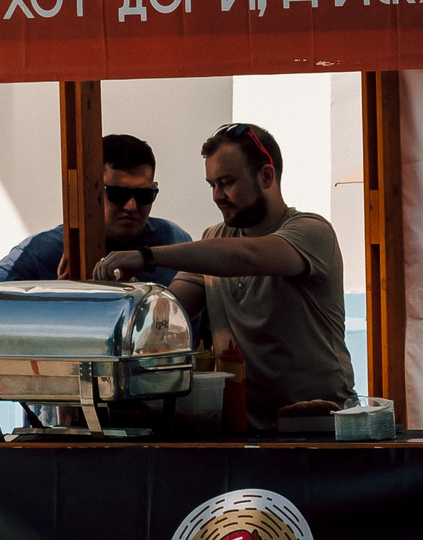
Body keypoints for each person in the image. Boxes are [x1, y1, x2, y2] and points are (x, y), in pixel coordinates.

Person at [93, 124, 351, 428]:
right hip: (242, 431)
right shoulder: (214, 238)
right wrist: (113, 292)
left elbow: (246, 256)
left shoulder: (312, 232)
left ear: (266, 176)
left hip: (319, 427)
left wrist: (146, 256)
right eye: (212, 184)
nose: (217, 196)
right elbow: (166, 316)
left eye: (227, 183)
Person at [2, 134, 192, 287]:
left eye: (144, 195)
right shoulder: (41, 253)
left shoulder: (173, 240)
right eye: (118, 194)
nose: (131, 206)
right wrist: (56, 303)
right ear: (89, 192)